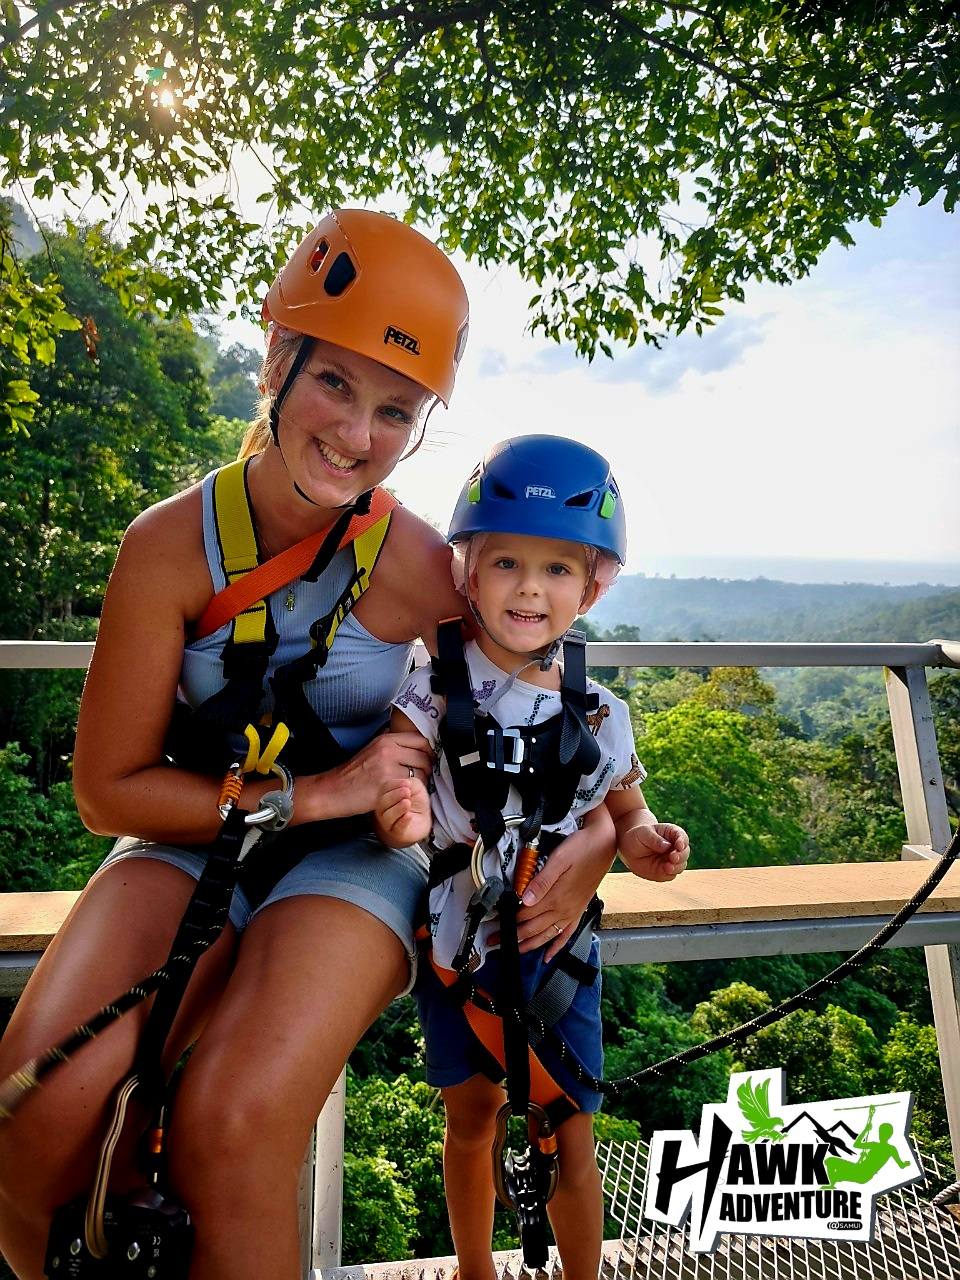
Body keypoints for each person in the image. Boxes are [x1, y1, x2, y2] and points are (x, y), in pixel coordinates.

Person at [0, 214, 619, 1280]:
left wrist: (604, 837)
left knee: (232, 1124)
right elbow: (107, 791)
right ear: (277, 360)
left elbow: (552, 691)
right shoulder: (167, 547)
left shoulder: (421, 563)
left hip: (366, 855)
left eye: (396, 410)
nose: (358, 435)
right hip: (193, 828)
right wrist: (318, 790)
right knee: (34, 1108)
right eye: (335, 383)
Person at [373, 435, 690, 1280]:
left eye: (557, 570)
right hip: (457, 946)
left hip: (557, 951)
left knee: (568, 1127)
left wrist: (646, 841)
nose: (529, 588)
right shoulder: (433, 680)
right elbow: (399, 761)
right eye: (506, 561)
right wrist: (399, 807)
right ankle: (476, 1268)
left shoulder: (597, 708)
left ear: (591, 587)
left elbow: (626, 807)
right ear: (467, 571)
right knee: (471, 1115)